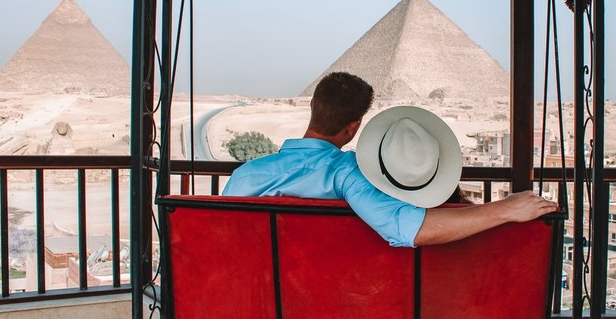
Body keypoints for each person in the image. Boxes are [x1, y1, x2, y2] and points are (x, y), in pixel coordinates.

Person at [223, 72, 558, 247]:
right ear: (354, 128)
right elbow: (407, 229)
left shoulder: (244, 176)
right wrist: (506, 208)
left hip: (257, 304)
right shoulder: (349, 175)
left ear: (314, 109)